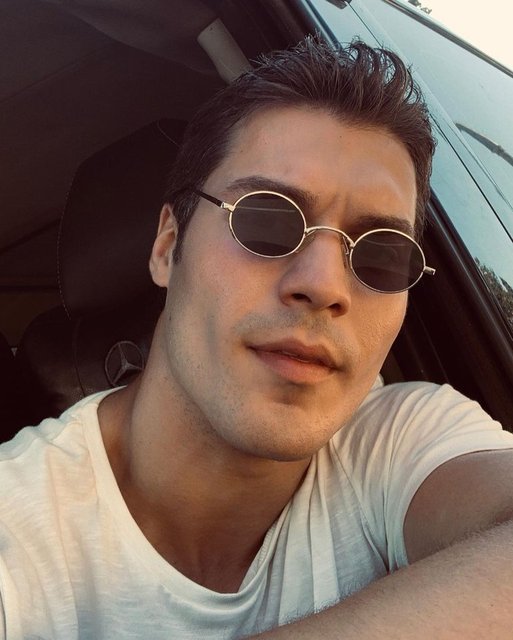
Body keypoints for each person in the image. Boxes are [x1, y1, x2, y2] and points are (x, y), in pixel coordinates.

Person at [1, 36, 513, 639]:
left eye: (380, 254)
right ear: (167, 246)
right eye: (267, 218)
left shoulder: (399, 436)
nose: (324, 286)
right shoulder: (18, 530)